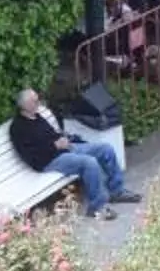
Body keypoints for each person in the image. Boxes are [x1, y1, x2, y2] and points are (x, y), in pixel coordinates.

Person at [9, 87, 139, 221]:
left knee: (106, 149)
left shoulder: (36, 116)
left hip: (63, 149)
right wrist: (54, 145)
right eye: (35, 101)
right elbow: (32, 156)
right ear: (25, 105)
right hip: (48, 161)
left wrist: (62, 139)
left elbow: (51, 135)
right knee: (89, 163)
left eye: (38, 99)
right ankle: (96, 208)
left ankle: (116, 191)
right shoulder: (18, 128)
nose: (39, 103)